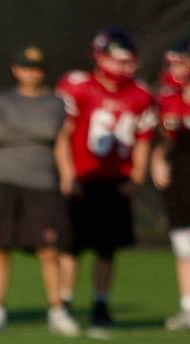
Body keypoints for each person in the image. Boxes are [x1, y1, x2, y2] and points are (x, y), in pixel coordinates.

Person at [55, 28, 156, 328]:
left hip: (115, 179)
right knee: (71, 246)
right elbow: (63, 135)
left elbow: (143, 139)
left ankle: (100, 302)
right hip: (83, 177)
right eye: (115, 60)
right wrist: (67, 173)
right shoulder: (79, 87)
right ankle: (64, 300)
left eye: (127, 61)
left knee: (107, 248)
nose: (121, 68)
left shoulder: (140, 94)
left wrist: (136, 177)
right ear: (99, 58)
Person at [0, 45, 80, 336]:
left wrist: (16, 127)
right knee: (0, 248)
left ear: (43, 71)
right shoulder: (2, 100)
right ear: (15, 70)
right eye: (24, 67)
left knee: (49, 250)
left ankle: (57, 310)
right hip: (5, 180)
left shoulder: (55, 102)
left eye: (36, 68)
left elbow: (50, 130)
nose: (30, 73)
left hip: (41, 183)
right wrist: (32, 130)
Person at [151, 49, 190, 331]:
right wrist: (157, 158)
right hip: (180, 177)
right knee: (184, 247)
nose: (177, 68)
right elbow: (166, 138)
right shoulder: (167, 96)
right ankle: (188, 307)